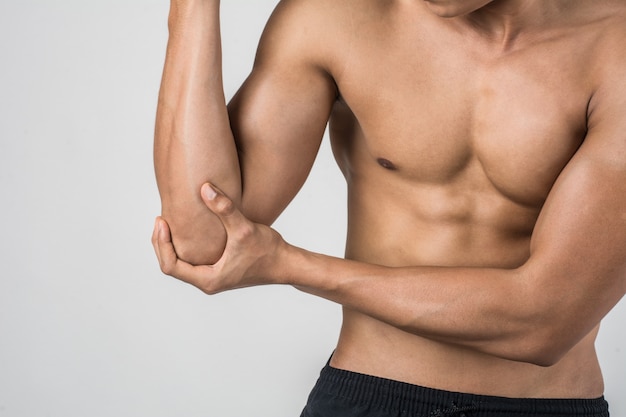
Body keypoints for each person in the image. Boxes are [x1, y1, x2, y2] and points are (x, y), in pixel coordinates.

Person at [152, 0, 626, 415]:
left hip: (548, 407)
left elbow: (547, 322)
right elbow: (206, 241)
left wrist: (290, 265)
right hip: (365, 398)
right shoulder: (336, 17)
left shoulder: (613, 45)